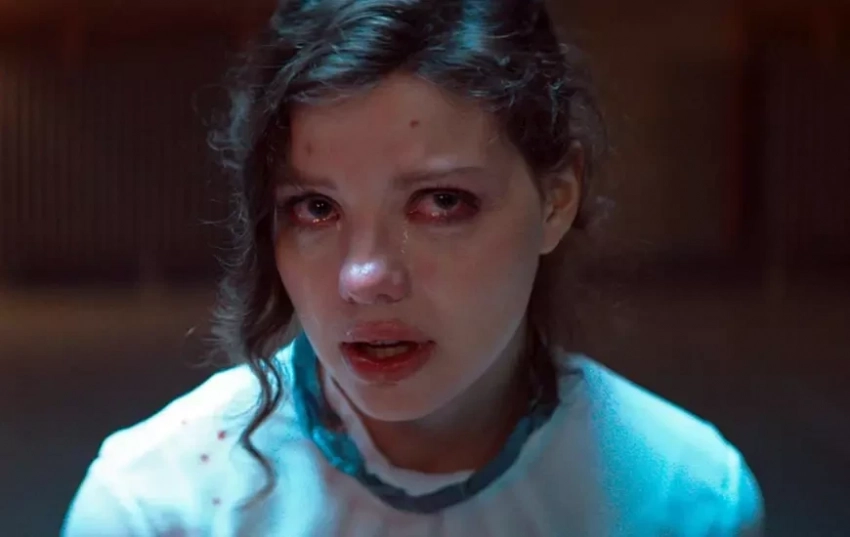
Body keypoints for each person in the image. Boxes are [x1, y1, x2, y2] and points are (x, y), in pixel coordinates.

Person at [62, 0, 764, 535]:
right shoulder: (157, 507)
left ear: (557, 198)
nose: (365, 278)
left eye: (441, 201)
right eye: (315, 208)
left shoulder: (687, 499)